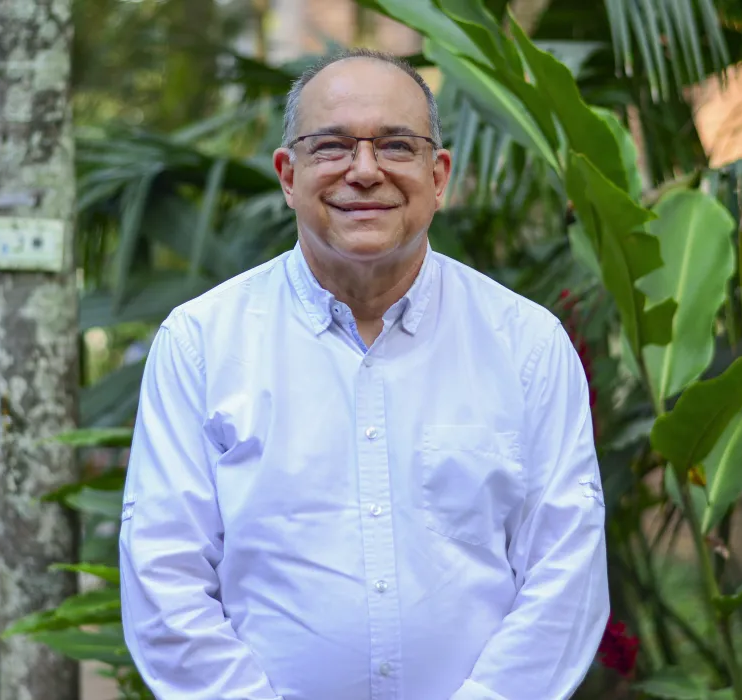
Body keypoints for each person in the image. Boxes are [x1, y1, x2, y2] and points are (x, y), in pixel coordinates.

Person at [118, 48, 609, 700]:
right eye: (332, 146)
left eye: (397, 145)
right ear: (288, 175)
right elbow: (163, 572)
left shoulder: (527, 345)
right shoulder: (202, 344)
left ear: (438, 175)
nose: (366, 170)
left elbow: (565, 569)